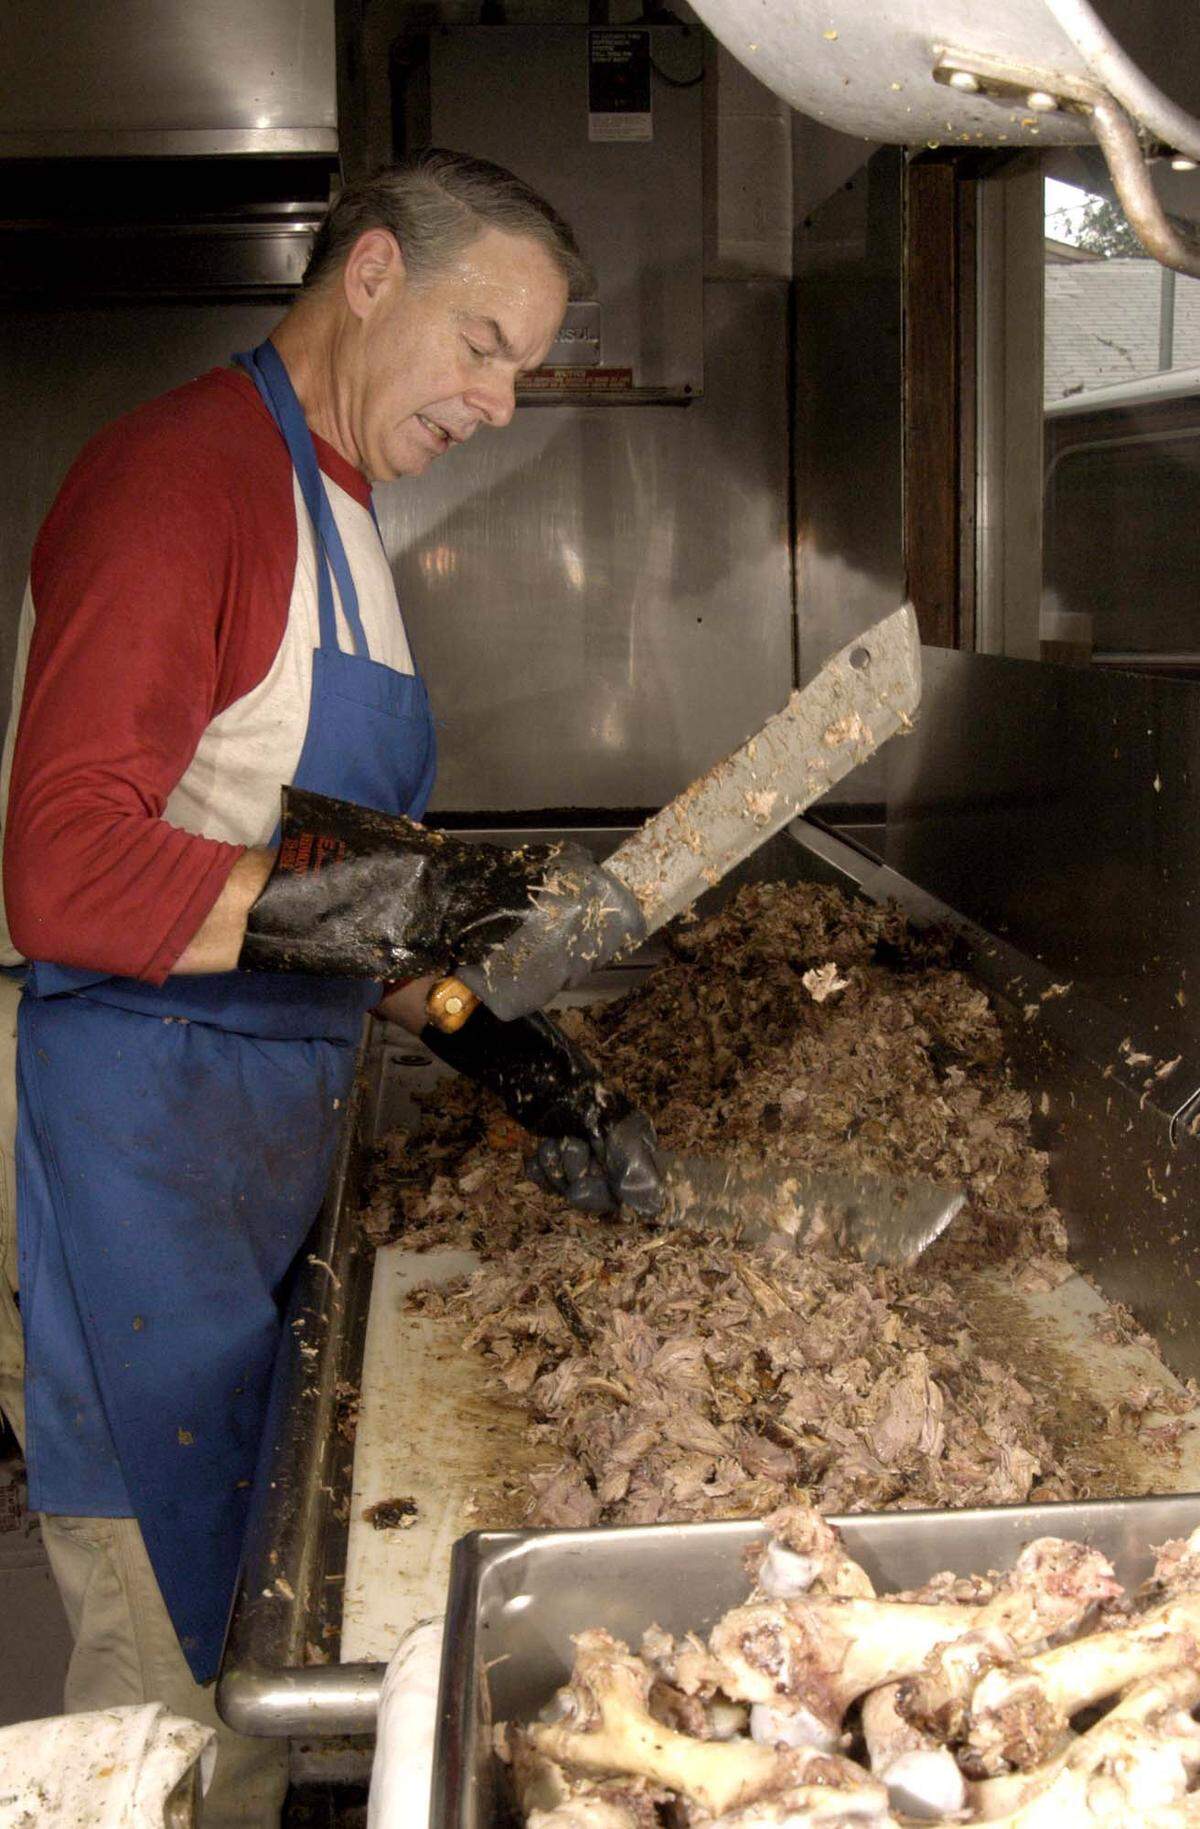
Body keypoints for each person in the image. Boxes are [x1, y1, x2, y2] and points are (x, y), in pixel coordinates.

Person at [0, 150, 661, 1828]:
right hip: (128, 1157)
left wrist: (511, 1056)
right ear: (371, 272)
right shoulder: (187, 479)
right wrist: (394, 900)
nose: (501, 398)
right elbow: (64, 868)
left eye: (521, 363)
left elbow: (313, 901)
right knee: (163, 1702)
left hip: (244, 1155)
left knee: (253, 1648)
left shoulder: (344, 516)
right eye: (486, 341)